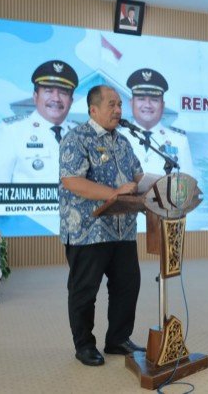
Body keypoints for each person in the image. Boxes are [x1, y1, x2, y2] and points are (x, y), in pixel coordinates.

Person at [59, 85, 145, 366]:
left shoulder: (124, 142)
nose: (118, 110)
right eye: (112, 104)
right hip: (88, 231)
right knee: (85, 291)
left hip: (123, 229)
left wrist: (151, 185)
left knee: (127, 285)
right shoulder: (76, 138)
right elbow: (72, 181)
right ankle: (84, 345)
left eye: (120, 104)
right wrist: (114, 193)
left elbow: (137, 175)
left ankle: (118, 339)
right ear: (93, 109)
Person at [0, 60, 79, 183]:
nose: (56, 98)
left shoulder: (82, 133)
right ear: (35, 96)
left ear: (71, 101)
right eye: (48, 91)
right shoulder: (11, 131)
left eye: (63, 93)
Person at [122, 68, 194, 175]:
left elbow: (188, 183)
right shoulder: (117, 138)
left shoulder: (179, 141)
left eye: (154, 100)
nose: (147, 105)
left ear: (163, 105)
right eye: (141, 99)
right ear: (131, 103)